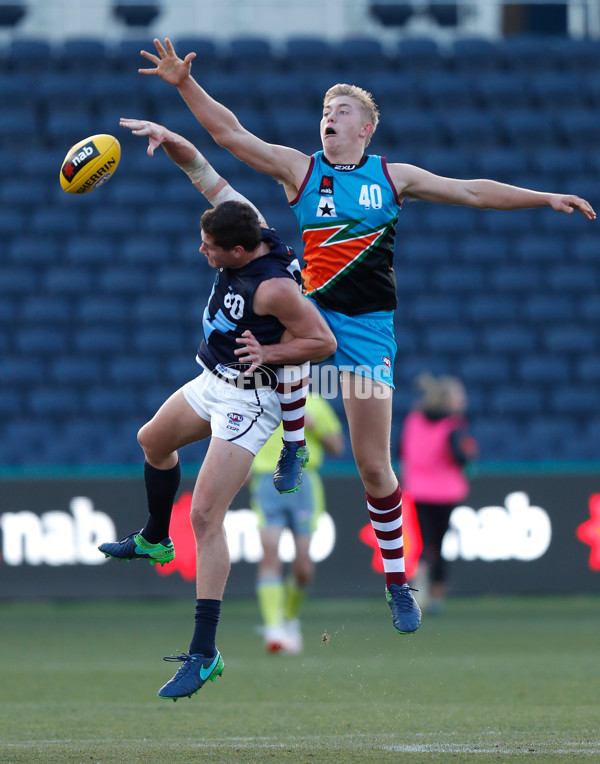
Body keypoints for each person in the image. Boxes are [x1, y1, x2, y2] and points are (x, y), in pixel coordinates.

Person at [136, 38, 596, 636]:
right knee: (273, 350)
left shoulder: (392, 176)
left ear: (367, 128)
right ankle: (293, 444)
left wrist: (543, 198)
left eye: (342, 110)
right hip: (309, 321)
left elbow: (472, 190)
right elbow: (230, 136)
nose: (330, 116)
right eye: (325, 110)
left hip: (370, 333)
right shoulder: (302, 171)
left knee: (373, 467)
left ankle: (399, 582)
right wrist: (183, 85)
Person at [98, 119, 337, 701]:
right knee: (151, 440)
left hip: (250, 400)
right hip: (213, 379)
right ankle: (156, 537)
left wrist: (272, 349)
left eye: (208, 247)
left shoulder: (274, 287)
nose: (200, 250)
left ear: (237, 250)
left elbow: (324, 342)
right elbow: (204, 172)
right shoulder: (243, 221)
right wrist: (168, 137)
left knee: (206, 516)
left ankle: (204, 653)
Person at [250, 392, 343, 654]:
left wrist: (315, 427)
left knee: (303, 564)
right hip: (267, 483)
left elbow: (337, 447)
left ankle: (289, 618)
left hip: (304, 484)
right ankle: (273, 629)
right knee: (270, 555)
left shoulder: (314, 403)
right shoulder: (260, 401)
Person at [400, 374, 478, 615]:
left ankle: (419, 586)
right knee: (439, 544)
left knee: (424, 541)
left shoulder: (413, 420)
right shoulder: (453, 424)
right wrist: (469, 453)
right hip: (446, 492)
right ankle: (436, 594)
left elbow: (400, 448)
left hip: (418, 489)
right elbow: (458, 456)